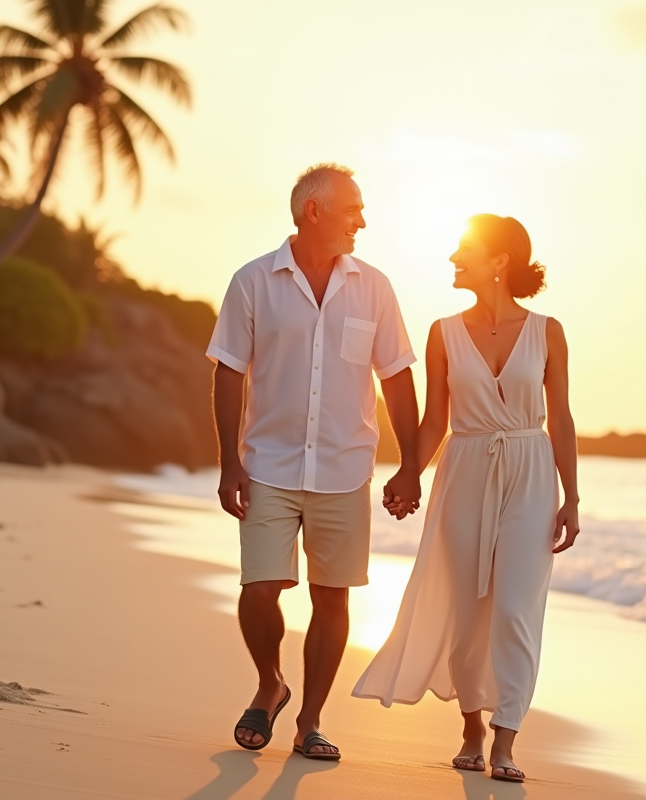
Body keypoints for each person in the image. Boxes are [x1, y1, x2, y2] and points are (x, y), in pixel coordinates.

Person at [353, 214, 580, 783]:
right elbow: (436, 421)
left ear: (499, 260)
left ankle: (506, 738)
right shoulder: (443, 332)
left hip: (529, 470)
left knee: (513, 609)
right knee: (468, 607)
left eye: (465, 249)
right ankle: (472, 726)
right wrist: (410, 473)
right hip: (466, 468)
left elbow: (562, 419)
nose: (453, 257)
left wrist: (572, 497)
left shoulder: (548, 331)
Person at [207, 164, 422, 760]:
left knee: (333, 596)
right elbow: (228, 371)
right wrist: (230, 464)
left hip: (346, 469)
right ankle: (270, 681)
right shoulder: (253, 281)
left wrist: (410, 465)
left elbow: (397, 376)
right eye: (353, 208)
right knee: (260, 588)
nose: (362, 220)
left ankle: (310, 720)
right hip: (268, 464)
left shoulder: (374, 287)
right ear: (314, 212)